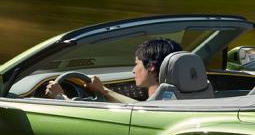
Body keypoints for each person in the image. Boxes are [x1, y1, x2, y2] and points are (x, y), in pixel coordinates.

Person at [45, 37, 183, 103]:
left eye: (136, 64)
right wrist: (103, 90)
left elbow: (140, 112)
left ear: (151, 67)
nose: (134, 70)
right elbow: (136, 106)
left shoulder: (159, 107)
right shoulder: (188, 94)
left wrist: (59, 97)